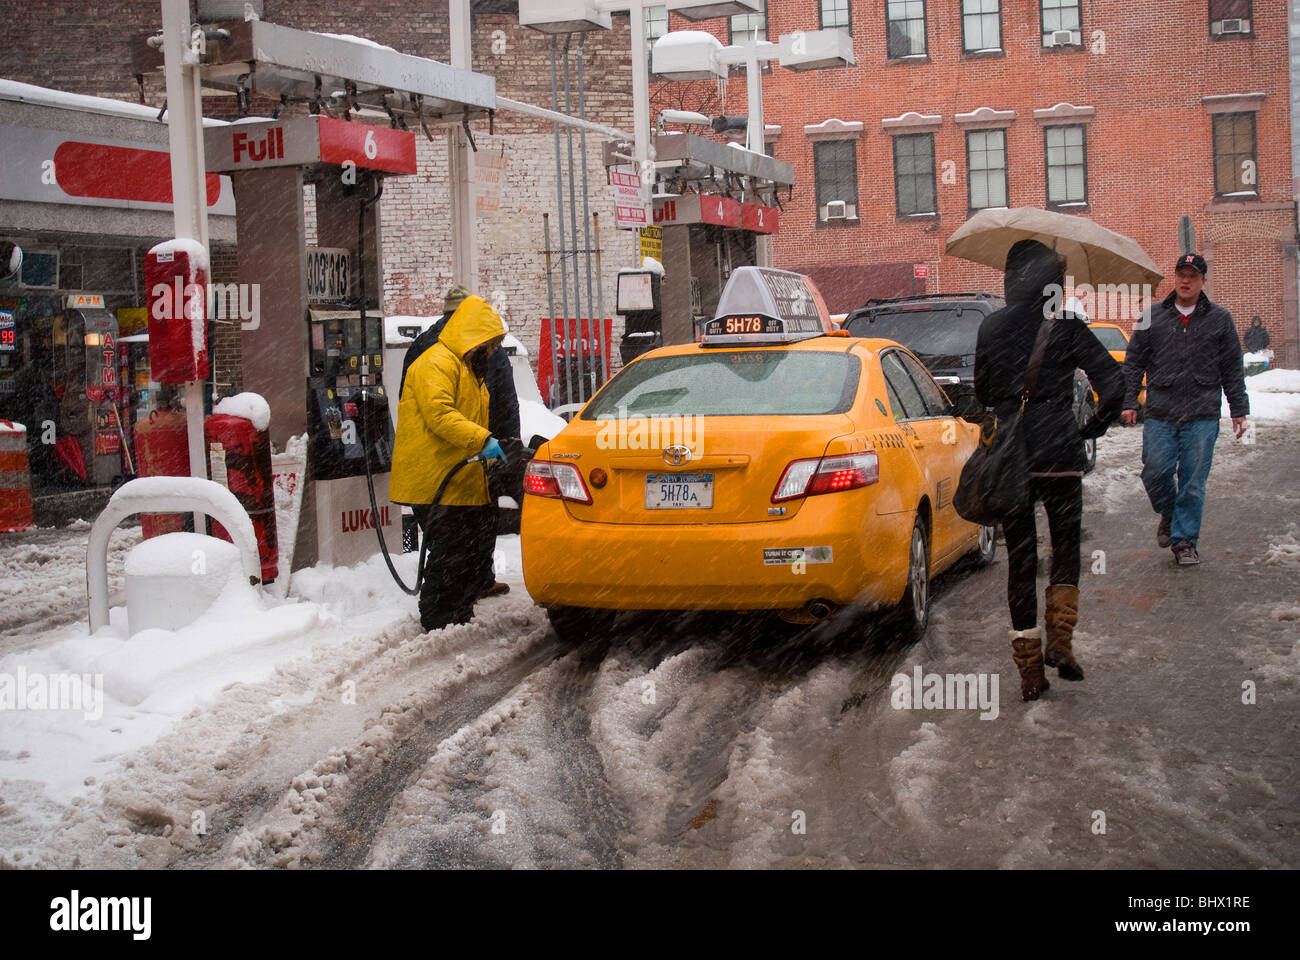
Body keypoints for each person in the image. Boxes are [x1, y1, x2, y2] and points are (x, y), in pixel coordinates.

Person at [975, 239, 1125, 701]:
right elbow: (1114, 384)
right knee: (1064, 548)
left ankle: (1029, 671)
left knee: (1020, 561)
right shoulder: (1068, 326)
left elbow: (982, 393)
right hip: (1060, 451)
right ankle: (1061, 641)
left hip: (1014, 457)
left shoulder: (992, 326)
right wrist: (1090, 428)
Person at [390, 295, 510, 631]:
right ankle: (438, 617)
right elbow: (440, 415)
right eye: (489, 344)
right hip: (434, 479)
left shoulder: (466, 369)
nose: (491, 352)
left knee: (467, 549)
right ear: (473, 337)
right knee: (450, 552)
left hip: (456, 479)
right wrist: (481, 440)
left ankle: (457, 613)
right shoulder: (436, 363)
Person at [1121, 253, 1249, 566]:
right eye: (1181, 274)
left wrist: (1238, 409)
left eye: (1193, 275)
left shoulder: (1219, 319)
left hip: (1202, 414)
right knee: (1155, 472)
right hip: (1161, 413)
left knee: (1193, 483)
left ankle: (1184, 542)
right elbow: (1134, 362)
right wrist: (1128, 401)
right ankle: (1169, 512)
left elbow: (1232, 367)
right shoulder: (1153, 316)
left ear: (1203, 281)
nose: (1186, 280)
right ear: (1175, 278)